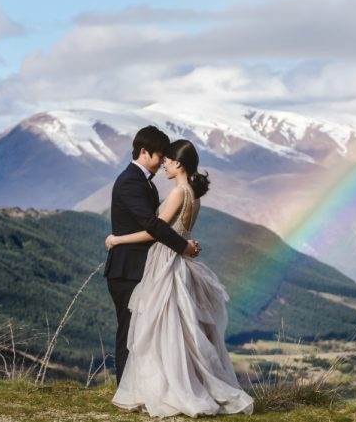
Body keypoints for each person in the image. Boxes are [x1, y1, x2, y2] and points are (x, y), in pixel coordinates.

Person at [105, 139, 253, 417]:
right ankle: (178, 385)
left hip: (163, 261)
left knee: (159, 328)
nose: (164, 165)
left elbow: (153, 231)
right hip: (179, 261)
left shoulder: (177, 193)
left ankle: (167, 389)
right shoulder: (193, 195)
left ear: (179, 163)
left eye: (168, 161)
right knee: (178, 328)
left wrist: (117, 239)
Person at [105, 126, 200, 384]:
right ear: (144, 152)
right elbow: (153, 224)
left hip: (146, 266)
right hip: (127, 269)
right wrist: (184, 246)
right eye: (160, 156)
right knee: (129, 332)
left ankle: (142, 387)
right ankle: (124, 388)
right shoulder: (130, 181)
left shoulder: (144, 182)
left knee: (143, 332)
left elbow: (158, 225)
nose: (163, 162)